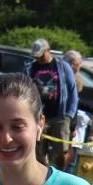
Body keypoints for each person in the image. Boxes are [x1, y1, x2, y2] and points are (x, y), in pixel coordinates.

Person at [26, 38, 79, 169]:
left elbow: (72, 92)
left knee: (62, 152)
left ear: (48, 51)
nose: (39, 59)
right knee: (38, 151)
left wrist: (69, 114)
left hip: (60, 115)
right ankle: (43, 175)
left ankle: (61, 173)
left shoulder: (62, 67)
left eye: (41, 55)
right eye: (36, 56)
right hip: (38, 116)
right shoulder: (30, 68)